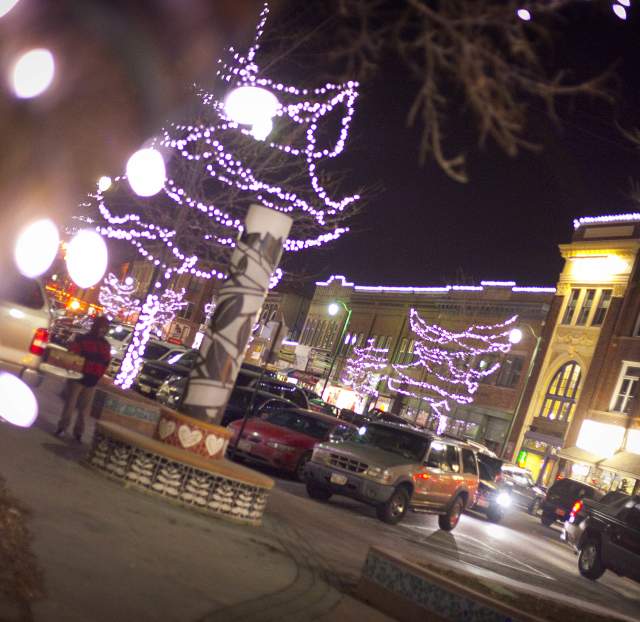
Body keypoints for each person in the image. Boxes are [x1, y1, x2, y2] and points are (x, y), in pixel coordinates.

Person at [55, 315, 112, 441]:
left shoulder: (100, 344)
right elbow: (74, 356)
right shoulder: (89, 341)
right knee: (75, 406)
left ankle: (72, 430)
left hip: (89, 379)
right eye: (101, 327)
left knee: (80, 408)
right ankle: (68, 429)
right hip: (82, 377)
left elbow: (106, 362)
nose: (102, 330)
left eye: (105, 328)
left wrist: (98, 374)